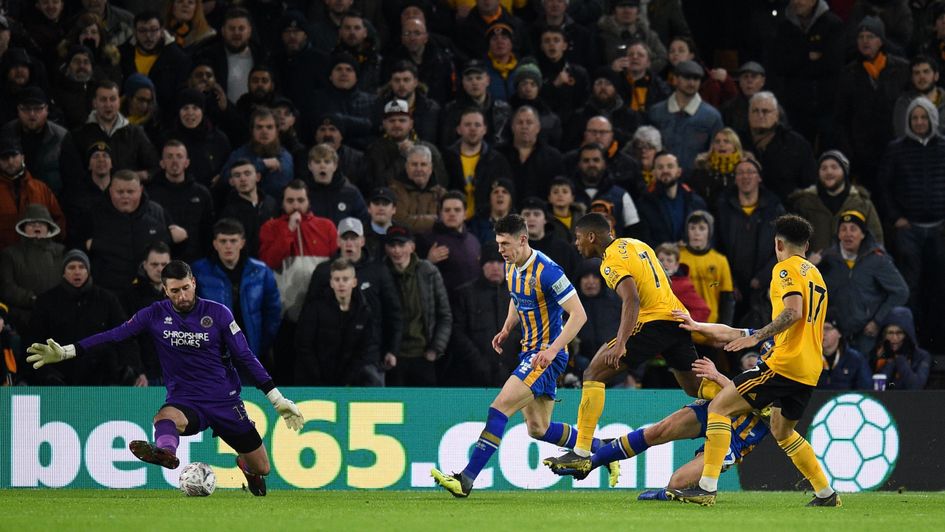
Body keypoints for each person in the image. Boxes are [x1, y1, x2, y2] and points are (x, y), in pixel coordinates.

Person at [25, 260, 304, 497]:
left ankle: (246, 466)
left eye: (185, 288)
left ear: (193, 282)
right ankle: (166, 452)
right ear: (164, 290)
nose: (181, 296)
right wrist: (67, 352)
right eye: (174, 291)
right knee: (164, 418)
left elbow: (245, 356)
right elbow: (114, 335)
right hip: (186, 399)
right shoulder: (154, 314)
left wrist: (276, 398)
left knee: (262, 468)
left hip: (224, 401)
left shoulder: (218, 314)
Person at [668, 214, 840, 507]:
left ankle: (706, 487)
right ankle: (826, 493)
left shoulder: (784, 270)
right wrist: (699, 325)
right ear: (807, 245)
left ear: (778, 244)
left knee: (720, 406)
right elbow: (740, 331)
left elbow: (793, 311)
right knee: (783, 431)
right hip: (810, 368)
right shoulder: (814, 273)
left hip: (785, 364)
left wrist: (757, 336)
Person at [430, 214, 592, 498]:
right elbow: (517, 299)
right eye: (498, 243)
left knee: (499, 407)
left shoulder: (548, 271)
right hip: (529, 351)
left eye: (505, 244)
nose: (501, 250)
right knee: (538, 429)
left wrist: (553, 349)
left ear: (522, 240)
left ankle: (466, 478)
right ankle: (605, 451)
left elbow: (579, 315)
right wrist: (506, 327)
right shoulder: (511, 266)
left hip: (545, 354)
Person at [544, 213, 703, 471]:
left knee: (593, 372)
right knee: (696, 388)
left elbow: (632, 299)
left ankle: (582, 451)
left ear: (591, 237)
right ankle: (747, 400)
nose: (576, 244)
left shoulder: (610, 262)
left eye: (578, 237)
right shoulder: (637, 244)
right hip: (676, 317)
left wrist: (621, 343)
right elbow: (666, 279)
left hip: (653, 322)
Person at [548, 357, 769, 500]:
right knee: (658, 431)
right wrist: (694, 324)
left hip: (740, 434)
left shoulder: (794, 370)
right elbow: (733, 333)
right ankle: (591, 462)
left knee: (677, 484)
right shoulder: (773, 343)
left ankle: (666, 495)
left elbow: (760, 402)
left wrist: (718, 376)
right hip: (718, 405)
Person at [26, 249, 141, 386]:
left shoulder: (107, 299)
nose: (77, 272)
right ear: (63, 272)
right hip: (58, 381)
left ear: (88, 271)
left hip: (101, 381)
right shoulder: (46, 301)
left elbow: (125, 336)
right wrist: (46, 374)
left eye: (82, 267)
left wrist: (132, 369)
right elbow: (34, 341)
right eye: (71, 267)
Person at [191, 218, 281, 374]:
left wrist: (261, 344)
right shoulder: (198, 271)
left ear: (242, 243)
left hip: (251, 352)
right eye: (223, 241)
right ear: (215, 244)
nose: (228, 246)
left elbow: (272, 311)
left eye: (233, 240)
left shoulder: (261, 271)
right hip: (212, 354)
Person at [818, 210, 908, 354]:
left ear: (863, 234)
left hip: (866, 334)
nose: (848, 234)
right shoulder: (827, 258)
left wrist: (877, 321)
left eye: (853, 229)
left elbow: (901, 292)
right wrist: (809, 266)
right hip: (836, 334)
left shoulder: (877, 259)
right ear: (838, 234)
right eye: (843, 229)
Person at [383, 225, 451, 387]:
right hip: (392, 358)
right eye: (392, 245)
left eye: (401, 245)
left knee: (424, 410)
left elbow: (445, 315)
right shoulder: (381, 273)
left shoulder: (428, 271)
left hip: (423, 357)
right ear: (386, 248)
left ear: (412, 246)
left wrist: (435, 349)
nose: (397, 250)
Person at [294, 257, 379, 386]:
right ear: (331, 282)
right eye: (337, 279)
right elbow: (305, 346)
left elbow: (363, 350)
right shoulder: (315, 309)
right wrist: (318, 379)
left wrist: (346, 380)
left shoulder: (363, 312)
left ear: (354, 282)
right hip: (316, 383)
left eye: (345, 279)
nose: (341, 284)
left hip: (349, 384)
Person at [790, 150, 884, 255]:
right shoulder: (804, 203)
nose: (829, 172)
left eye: (834, 167)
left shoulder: (862, 203)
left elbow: (876, 240)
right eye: (824, 168)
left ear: (844, 171)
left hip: (853, 268)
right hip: (814, 268)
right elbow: (793, 241)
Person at [647, 60, 723, 171]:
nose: (692, 83)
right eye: (687, 78)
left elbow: (718, 151)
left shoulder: (712, 116)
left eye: (696, 79)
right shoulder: (656, 112)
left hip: (698, 180)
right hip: (662, 178)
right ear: (675, 79)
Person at [147, 140, 214, 264]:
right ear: (162, 163)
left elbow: (208, 231)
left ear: (186, 162)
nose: (174, 161)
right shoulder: (150, 194)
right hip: (161, 263)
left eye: (179, 156)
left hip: (195, 262)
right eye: (169, 156)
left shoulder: (201, 193)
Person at [0, 205, 64, 333]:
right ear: (23, 227)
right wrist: (32, 299)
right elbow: (7, 287)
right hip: (23, 320)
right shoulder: (9, 254)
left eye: (41, 223)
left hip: (60, 317)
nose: (37, 226)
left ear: (49, 227)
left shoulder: (62, 252)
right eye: (32, 224)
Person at [0, 137, 66, 250]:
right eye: (4, 157)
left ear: (22, 157)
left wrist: (48, 247)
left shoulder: (40, 188)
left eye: (14, 156)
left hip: (40, 257)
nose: (10, 161)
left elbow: (59, 223)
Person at [121, 241, 171, 385]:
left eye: (164, 265)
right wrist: (138, 371)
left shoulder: (182, 295)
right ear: (145, 265)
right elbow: (128, 337)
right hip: (147, 377)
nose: (160, 269)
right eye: (154, 264)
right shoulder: (130, 296)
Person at [871, 306, 931, 390]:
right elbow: (875, 388)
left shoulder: (921, 356)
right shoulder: (877, 354)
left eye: (899, 333)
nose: (894, 338)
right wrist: (890, 361)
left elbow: (916, 387)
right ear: (884, 335)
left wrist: (899, 358)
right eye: (890, 333)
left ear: (907, 335)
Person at [819, 314, 872, 390]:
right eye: (819, 328)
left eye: (827, 328)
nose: (822, 333)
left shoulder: (855, 359)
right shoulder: (809, 358)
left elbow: (866, 388)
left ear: (839, 333)